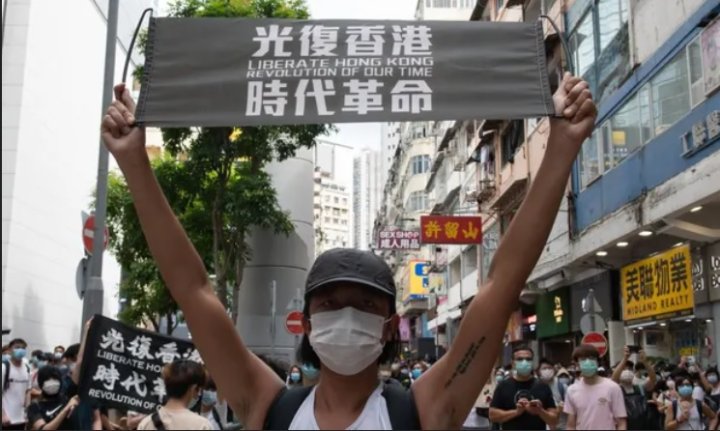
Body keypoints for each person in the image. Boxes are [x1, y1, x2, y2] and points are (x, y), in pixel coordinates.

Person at [101, 71, 597, 429]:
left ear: (388, 326)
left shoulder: (421, 410)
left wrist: (561, 149)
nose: (346, 316)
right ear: (309, 321)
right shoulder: (269, 407)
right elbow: (194, 290)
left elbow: (502, 283)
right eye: (330, 304)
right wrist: (134, 164)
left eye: (364, 305)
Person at [489, 345, 557, 430]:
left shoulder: (542, 386)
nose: (524, 362)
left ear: (532, 362)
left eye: (528, 359)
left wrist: (540, 411)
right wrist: (516, 412)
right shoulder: (503, 386)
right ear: (513, 363)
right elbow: (492, 415)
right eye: (520, 359)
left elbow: (554, 420)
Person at [564, 344, 627, 430]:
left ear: (597, 362)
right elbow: (571, 425)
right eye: (583, 359)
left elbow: (621, 423)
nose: (587, 362)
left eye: (591, 358)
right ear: (576, 364)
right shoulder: (571, 390)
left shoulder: (613, 387)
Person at [138, 360, 213, 430]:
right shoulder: (202, 425)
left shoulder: (146, 423)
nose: (199, 395)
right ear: (193, 389)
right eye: (199, 390)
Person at [611, 346, 657, 430]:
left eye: (630, 368)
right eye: (624, 369)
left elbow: (653, 379)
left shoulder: (640, 387)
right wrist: (625, 359)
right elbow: (614, 379)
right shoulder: (616, 389)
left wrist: (645, 362)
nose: (627, 371)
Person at [25, 366, 80, 430]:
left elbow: (77, 375)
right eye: (48, 380)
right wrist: (66, 409)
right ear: (41, 383)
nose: (52, 383)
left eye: (55, 379)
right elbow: (43, 429)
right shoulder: (35, 407)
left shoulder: (66, 398)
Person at [2, 338, 32, 430]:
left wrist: (27, 412)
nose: (20, 350)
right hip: (6, 420)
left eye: (23, 348)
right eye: (17, 347)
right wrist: (2, 415)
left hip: (21, 419)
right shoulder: (4, 367)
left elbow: (28, 392)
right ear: (10, 350)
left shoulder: (27, 368)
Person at [539, 359, 568, 430]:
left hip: (561, 426)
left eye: (549, 368)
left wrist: (563, 407)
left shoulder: (562, 387)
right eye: (544, 368)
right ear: (539, 371)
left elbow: (571, 409)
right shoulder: (536, 386)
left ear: (554, 370)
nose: (547, 370)